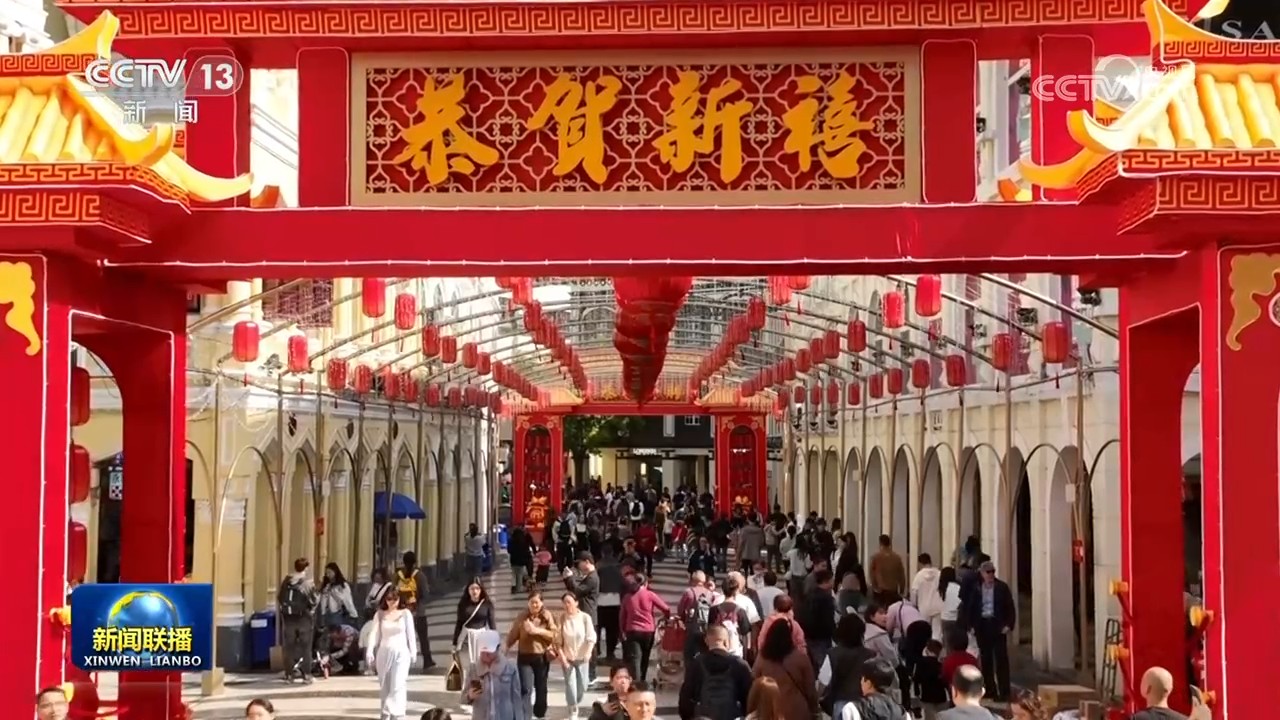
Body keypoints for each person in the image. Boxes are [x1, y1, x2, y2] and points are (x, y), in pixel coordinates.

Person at [962, 560, 1015, 701]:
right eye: (988, 572)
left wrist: (1009, 624)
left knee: (1001, 659)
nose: (991, 575)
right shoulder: (977, 588)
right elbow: (971, 607)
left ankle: (1004, 692)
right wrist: (970, 625)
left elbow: (1009, 606)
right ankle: (990, 689)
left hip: (997, 624)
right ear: (982, 573)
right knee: (986, 659)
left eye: (993, 572)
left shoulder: (1001, 587)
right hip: (982, 625)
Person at [678, 625, 753, 720]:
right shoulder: (740, 665)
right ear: (727, 642)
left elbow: (685, 699)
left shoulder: (696, 664)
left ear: (706, 641)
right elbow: (751, 697)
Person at [750, 619, 819, 720]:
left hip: (771, 711)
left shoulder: (762, 659)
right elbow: (810, 689)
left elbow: (754, 682)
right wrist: (814, 710)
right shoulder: (800, 658)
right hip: (797, 712)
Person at [366, 587, 418, 720]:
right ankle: (385, 714)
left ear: (400, 599)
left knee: (398, 684)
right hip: (384, 653)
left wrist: (413, 651)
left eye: (395, 598)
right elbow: (374, 634)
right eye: (389, 599)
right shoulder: (379, 615)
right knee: (385, 686)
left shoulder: (405, 614)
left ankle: (398, 714)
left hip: (401, 653)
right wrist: (370, 650)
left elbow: (411, 634)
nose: (392, 602)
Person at [506, 591, 559, 720]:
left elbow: (554, 635)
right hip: (524, 657)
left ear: (542, 603)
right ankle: (526, 714)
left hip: (541, 657)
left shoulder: (547, 616)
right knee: (526, 688)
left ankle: (540, 713)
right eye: (531, 602)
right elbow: (514, 633)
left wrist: (537, 631)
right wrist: (506, 646)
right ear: (528, 603)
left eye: (537, 602)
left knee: (541, 686)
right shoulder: (522, 616)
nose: (534, 605)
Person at [619, 572, 671, 683]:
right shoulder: (650, 595)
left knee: (635, 658)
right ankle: (642, 680)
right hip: (648, 631)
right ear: (646, 583)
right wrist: (666, 618)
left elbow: (622, 616)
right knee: (645, 657)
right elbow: (666, 608)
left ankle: (636, 682)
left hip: (632, 630)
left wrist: (622, 630)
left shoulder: (627, 597)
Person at [819, 614, 874, 718]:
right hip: (865, 703)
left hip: (842, 703)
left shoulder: (833, 654)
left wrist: (818, 698)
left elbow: (823, 682)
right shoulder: (871, 655)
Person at [453, 579, 498, 700]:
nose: (475, 591)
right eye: (472, 588)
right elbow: (459, 623)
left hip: (481, 637)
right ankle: (469, 696)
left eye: (477, 588)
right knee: (469, 669)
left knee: (480, 667)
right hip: (466, 638)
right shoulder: (463, 604)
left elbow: (492, 624)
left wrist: (495, 642)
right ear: (468, 590)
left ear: (481, 590)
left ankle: (479, 694)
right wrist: (454, 642)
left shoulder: (487, 604)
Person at [556, 591, 597, 720]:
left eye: (569, 602)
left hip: (582, 658)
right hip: (568, 658)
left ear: (576, 603)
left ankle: (576, 701)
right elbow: (557, 641)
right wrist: (562, 657)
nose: (566, 605)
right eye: (564, 603)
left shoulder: (585, 618)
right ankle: (572, 708)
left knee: (582, 686)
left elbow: (591, 637)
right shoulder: (561, 619)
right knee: (570, 685)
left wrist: (588, 652)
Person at [563, 551, 602, 684]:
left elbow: (578, 591)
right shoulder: (589, 577)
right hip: (585, 613)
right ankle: (586, 671)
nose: (578, 566)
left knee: (590, 643)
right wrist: (568, 579)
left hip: (589, 614)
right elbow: (575, 592)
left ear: (587, 562)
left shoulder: (592, 578)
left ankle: (591, 674)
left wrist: (570, 578)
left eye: (579, 563)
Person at [278, 557, 318, 683]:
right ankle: (307, 675)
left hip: (288, 619)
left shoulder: (286, 581)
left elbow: (280, 598)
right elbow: (314, 600)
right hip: (304, 619)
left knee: (288, 647)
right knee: (306, 647)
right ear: (306, 568)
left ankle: (289, 675)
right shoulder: (307, 583)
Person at [468, 629, 524, 720]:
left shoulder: (510, 668)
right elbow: (463, 698)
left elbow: (517, 699)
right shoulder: (473, 669)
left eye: (489, 652)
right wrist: (469, 696)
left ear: (498, 649)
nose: (486, 655)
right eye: (483, 652)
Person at [397, 551, 436, 670]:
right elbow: (425, 593)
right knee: (423, 637)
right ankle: (427, 660)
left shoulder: (399, 575)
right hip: (418, 612)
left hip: (402, 612)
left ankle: (401, 661)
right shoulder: (420, 575)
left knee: (403, 637)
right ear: (415, 562)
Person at [839, 658, 910, 720]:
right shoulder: (902, 713)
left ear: (868, 683)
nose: (861, 683)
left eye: (862, 678)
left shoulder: (852, 709)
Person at [798, 568, 837, 670]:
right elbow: (828, 619)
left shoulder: (809, 595)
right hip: (822, 637)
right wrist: (835, 634)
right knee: (824, 666)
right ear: (826, 581)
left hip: (808, 635)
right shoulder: (826, 599)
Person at [914, 639, 949, 720]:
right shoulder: (940, 664)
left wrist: (917, 693)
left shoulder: (920, 663)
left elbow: (916, 679)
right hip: (941, 696)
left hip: (926, 696)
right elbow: (945, 681)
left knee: (929, 717)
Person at [869, 534, 906, 607]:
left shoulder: (876, 558)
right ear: (889, 544)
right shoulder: (897, 558)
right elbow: (902, 576)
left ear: (880, 544)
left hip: (880, 591)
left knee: (881, 610)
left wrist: (874, 587)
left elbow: (872, 574)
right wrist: (902, 589)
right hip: (893, 590)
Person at [318, 562, 358, 628]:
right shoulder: (327, 586)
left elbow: (347, 600)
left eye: (329, 572)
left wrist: (353, 614)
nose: (328, 575)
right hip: (329, 615)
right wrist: (323, 614)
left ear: (335, 572)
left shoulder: (343, 585)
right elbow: (323, 601)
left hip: (339, 613)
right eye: (326, 573)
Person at [508, 526, 536, 594]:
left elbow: (509, 550)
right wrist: (534, 552)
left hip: (514, 560)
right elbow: (531, 545)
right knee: (525, 574)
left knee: (515, 574)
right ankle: (527, 586)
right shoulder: (524, 539)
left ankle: (514, 587)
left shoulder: (511, 540)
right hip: (525, 560)